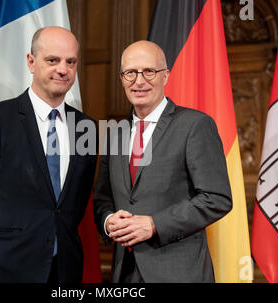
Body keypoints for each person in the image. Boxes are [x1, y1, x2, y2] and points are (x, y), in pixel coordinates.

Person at [0, 26, 97, 283]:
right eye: (52, 60)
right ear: (31, 62)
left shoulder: (87, 128)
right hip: (2, 270)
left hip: (64, 272)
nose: (63, 69)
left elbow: (73, 206)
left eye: (70, 62)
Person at [93, 40, 232, 283]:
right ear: (121, 78)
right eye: (130, 73)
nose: (139, 81)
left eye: (149, 71)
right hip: (124, 272)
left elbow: (217, 198)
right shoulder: (115, 133)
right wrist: (108, 221)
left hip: (179, 273)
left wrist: (155, 224)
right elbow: (103, 199)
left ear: (165, 76)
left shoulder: (195, 125)